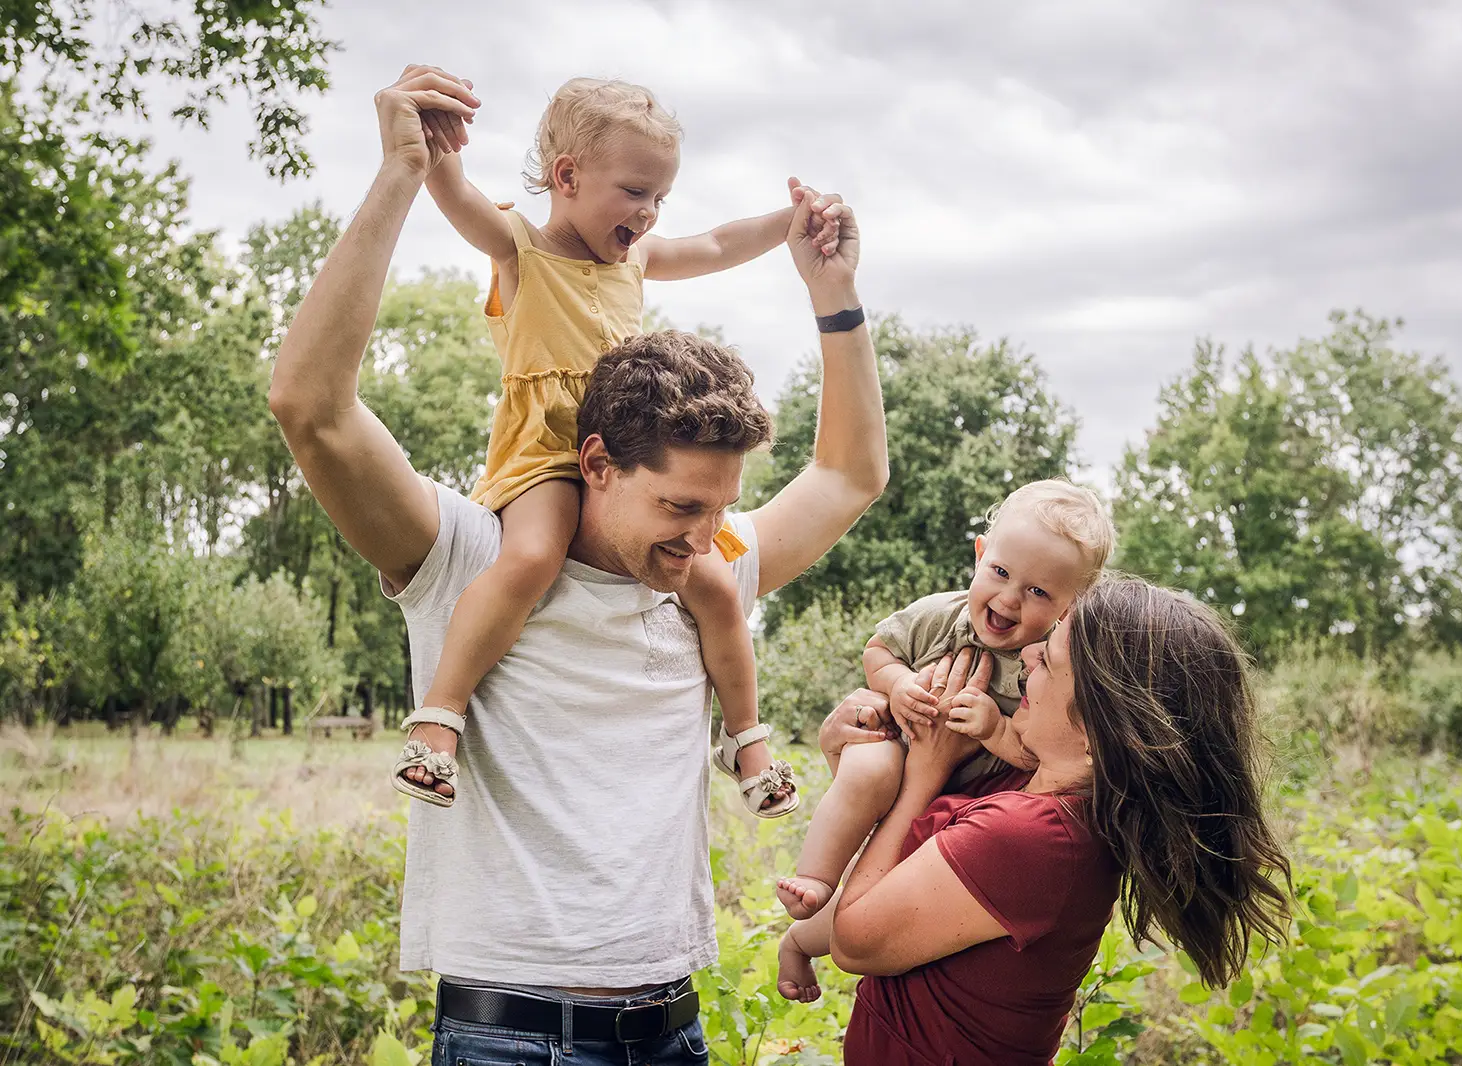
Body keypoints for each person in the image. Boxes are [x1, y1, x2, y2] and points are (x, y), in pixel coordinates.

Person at [267, 64, 887, 1066]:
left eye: (720, 509)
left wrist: (834, 295)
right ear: (596, 463)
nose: (704, 536)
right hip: (511, 1039)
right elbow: (310, 405)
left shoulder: (705, 573)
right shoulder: (467, 555)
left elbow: (849, 473)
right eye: (681, 506)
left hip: (672, 1028)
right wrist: (400, 174)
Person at [393, 75, 829, 817]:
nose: (649, 212)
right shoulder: (521, 246)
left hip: (632, 461)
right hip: (552, 457)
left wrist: (792, 220)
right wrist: (431, 147)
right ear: (567, 177)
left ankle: (747, 738)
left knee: (720, 590)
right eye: (634, 192)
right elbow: (459, 201)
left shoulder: (636, 259)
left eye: (660, 197)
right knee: (531, 557)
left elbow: (719, 242)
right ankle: (440, 718)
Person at [788, 579, 1294, 1066]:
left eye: (1049, 660)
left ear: (1101, 732)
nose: (1027, 656)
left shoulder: (1033, 838)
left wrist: (924, 772)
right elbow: (892, 865)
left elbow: (855, 940)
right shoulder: (1022, 786)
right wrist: (858, 759)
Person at [775, 479, 1114, 924]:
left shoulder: (1050, 667)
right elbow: (878, 650)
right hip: (901, 744)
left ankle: (810, 936)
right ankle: (817, 877)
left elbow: (1034, 756)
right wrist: (898, 685)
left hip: (962, 796)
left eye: (1038, 592)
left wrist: (995, 729)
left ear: (1072, 606)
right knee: (868, 770)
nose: (1010, 598)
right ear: (980, 555)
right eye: (1001, 572)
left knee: (886, 895)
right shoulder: (939, 614)